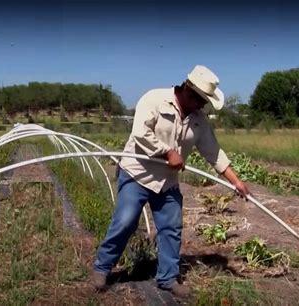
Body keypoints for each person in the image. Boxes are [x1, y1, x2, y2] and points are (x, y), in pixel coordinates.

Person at [90, 65, 250, 297]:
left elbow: (213, 152)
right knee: (125, 222)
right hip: (138, 174)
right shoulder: (154, 100)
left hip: (167, 183)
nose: (202, 105)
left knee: (171, 229)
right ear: (187, 90)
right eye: (201, 100)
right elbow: (140, 133)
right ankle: (102, 268)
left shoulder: (198, 120)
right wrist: (167, 153)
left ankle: (167, 278)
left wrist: (236, 181)